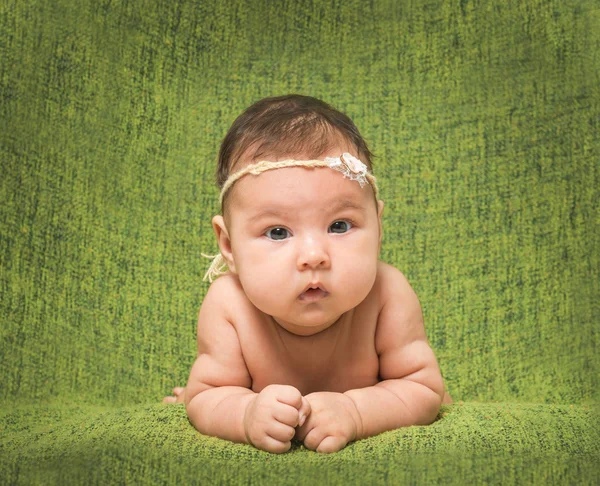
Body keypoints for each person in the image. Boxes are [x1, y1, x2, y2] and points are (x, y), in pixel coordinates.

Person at [163, 94, 452, 454]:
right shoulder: (228, 305)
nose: (314, 256)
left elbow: (424, 390)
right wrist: (244, 413)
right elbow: (207, 396)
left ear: (377, 227)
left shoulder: (388, 293)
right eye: (278, 232)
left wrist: (356, 411)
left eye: (340, 225)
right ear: (229, 246)